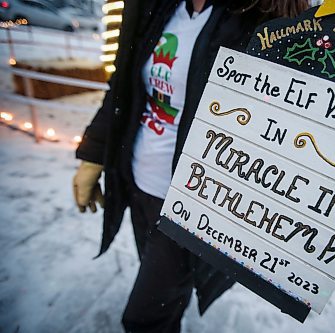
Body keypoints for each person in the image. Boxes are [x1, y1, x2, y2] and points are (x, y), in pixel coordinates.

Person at [72, 0, 309, 332]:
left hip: (198, 206)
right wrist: (94, 156)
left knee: (144, 319)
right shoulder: (158, 7)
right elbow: (123, 84)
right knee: (165, 299)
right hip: (139, 183)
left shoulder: (269, 16)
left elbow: (296, 115)